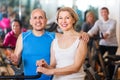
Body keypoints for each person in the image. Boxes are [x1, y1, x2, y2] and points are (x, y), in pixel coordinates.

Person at [8, 8, 89, 80]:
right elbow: (16, 60)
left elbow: (70, 35)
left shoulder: (54, 36)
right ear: (31, 21)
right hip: (31, 78)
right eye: (35, 18)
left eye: (41, 17)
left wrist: (84, 34)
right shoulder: (23, 37)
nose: (38, 21)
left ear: (46, 20)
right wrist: (14, 61)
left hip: (51, 77)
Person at [36, 7, 87, 80]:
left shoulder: (81, 39)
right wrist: (45, 66)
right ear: (57, 21)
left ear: (73, 20)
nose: (63, 21)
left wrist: (50, 71)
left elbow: (76, 67)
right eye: (60, 18)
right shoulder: (55, 42)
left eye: (67, 18)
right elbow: (53, 65)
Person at [88, 7, 118, 79]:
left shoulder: (113, 21)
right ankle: (105, 67)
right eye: (102, 12)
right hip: (103, 43)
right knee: (96, 57)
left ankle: (110, 77)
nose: (104, 13)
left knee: (111, 62)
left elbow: (111, 29)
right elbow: (93, 30)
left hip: (112, 44)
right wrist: (87, 35)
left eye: (105, 12)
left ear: (108, 13)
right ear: (101, 14)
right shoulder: (98, 22)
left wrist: (106, 34)